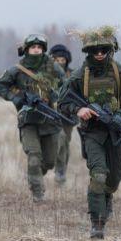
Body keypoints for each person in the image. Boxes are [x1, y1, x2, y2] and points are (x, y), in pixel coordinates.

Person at [58, 26, 121, 238]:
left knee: (113, 179)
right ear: (89, 52)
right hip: (92, 133)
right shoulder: (80, 76)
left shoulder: (120, 72)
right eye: (94, 51)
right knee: (98, 174)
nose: (98, 54)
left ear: (110, 50)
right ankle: (97, 224)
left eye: (103, 50)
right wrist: (80, 109)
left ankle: (107, 197)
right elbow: (62, 101)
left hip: (116, 133)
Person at [0, 34, 65, 201]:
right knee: (34, 157)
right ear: (26, 50)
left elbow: (65, 84)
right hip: (28, 121)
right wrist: (18, 98)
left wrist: (55, 96)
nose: (36, 50)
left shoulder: (53, 67)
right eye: (33, 47)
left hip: (49, 119)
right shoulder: (17, 70)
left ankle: (35, 176)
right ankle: (37, 194)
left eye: (39, 47)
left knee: (49, 162)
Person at [49, 44, 78, 185]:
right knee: (59, 142)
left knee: (65, 144)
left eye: (62, 60)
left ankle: (62, 171)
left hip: (68, 115)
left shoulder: (72, 75)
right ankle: (58, 170)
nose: (60, 63)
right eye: (57, 60)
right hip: (51, 114)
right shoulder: (47, 76)